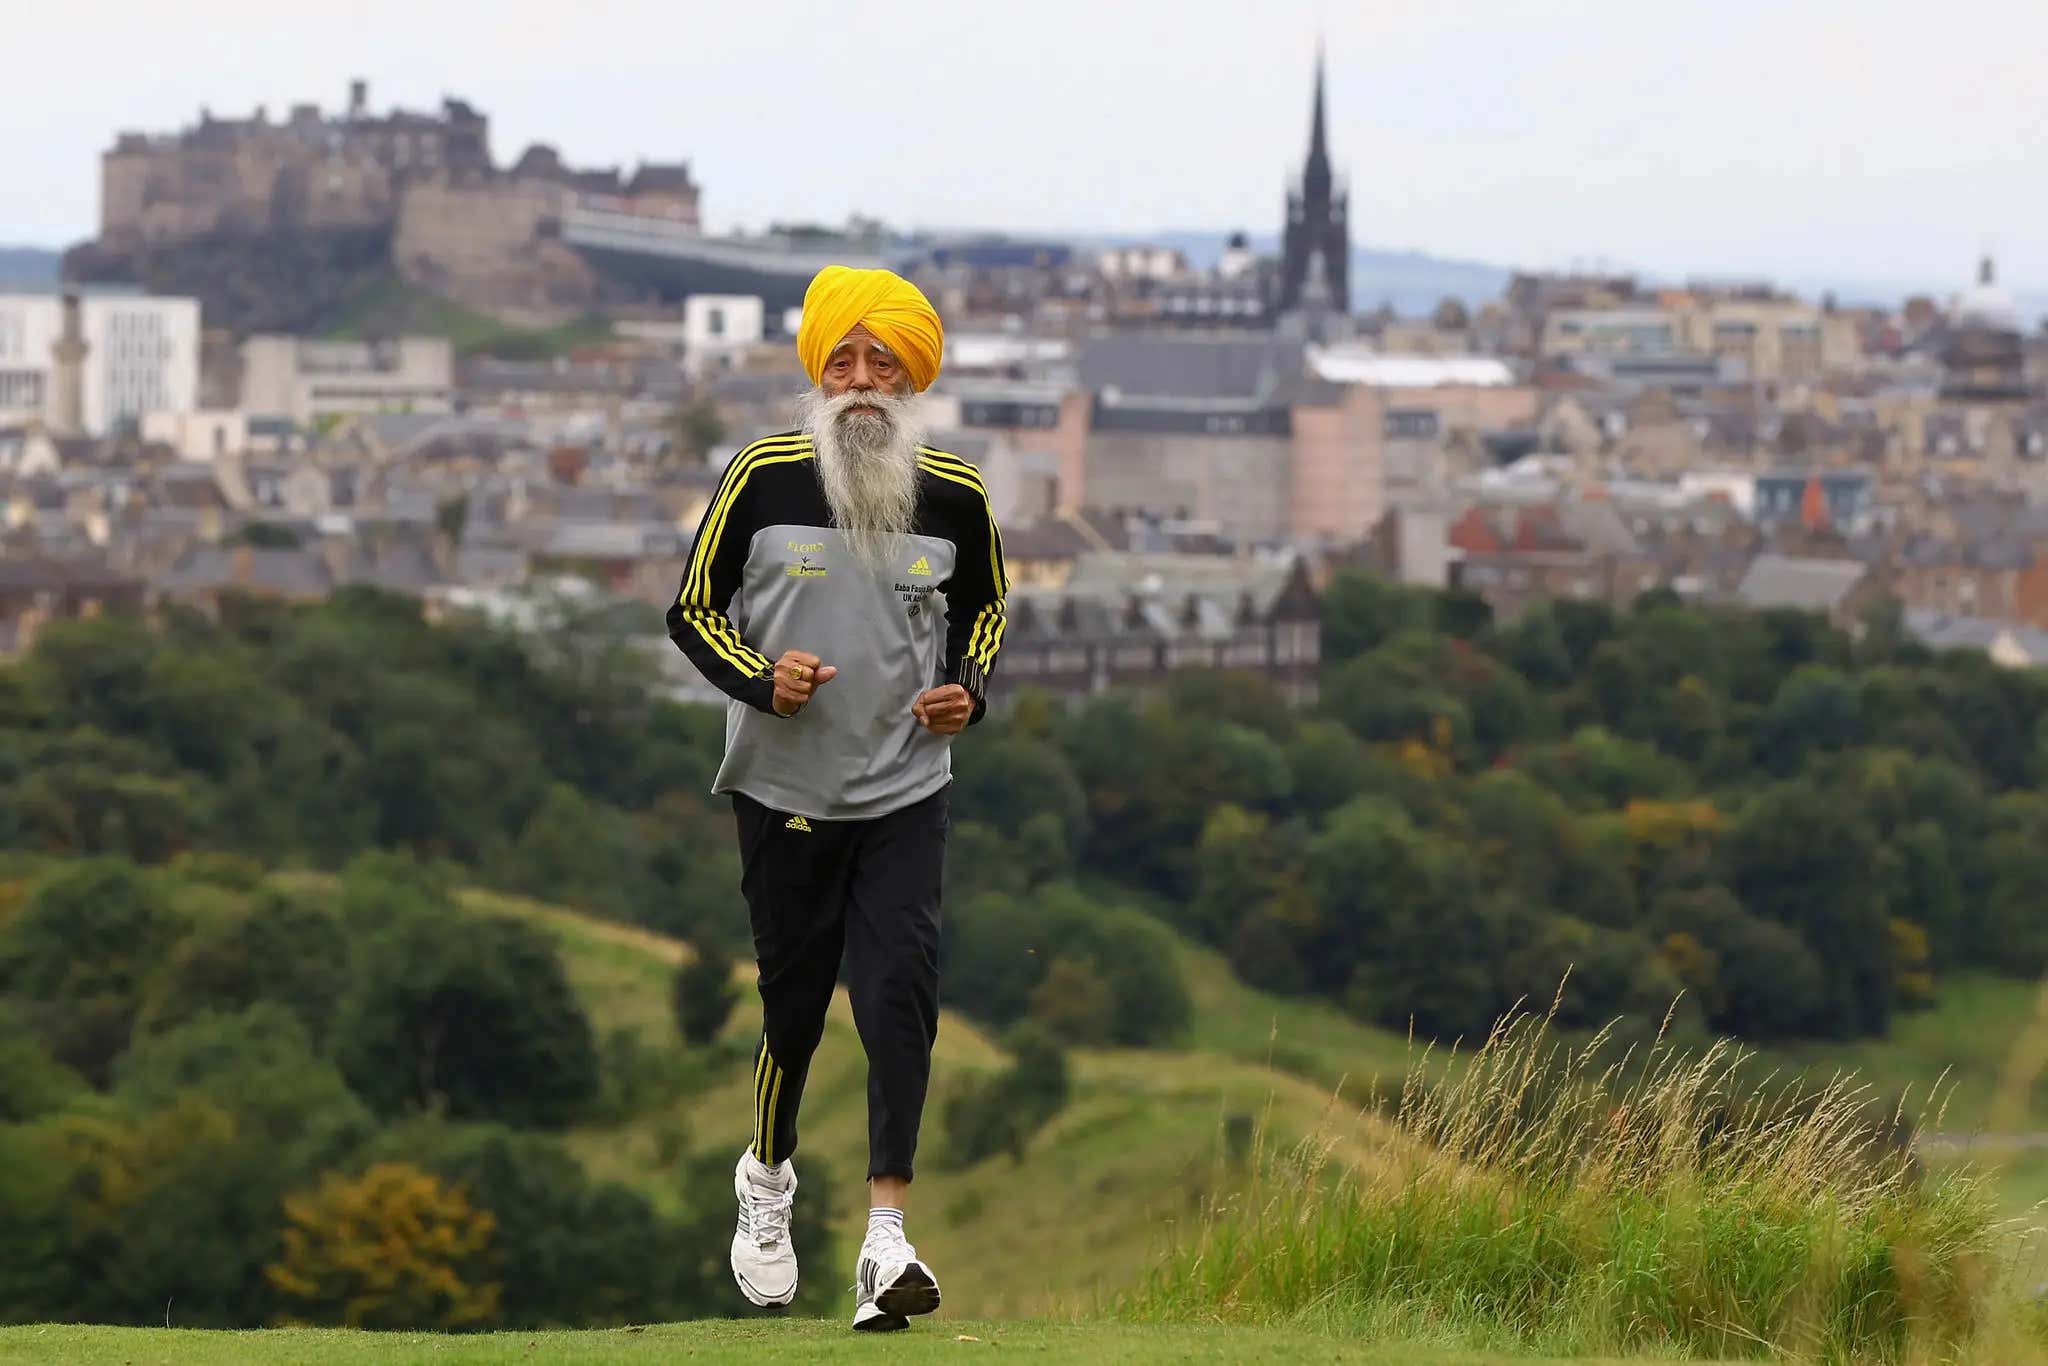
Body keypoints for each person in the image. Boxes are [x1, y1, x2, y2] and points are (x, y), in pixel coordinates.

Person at [666, 265, 1007, 1332]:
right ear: (818, 370)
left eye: (883, 364)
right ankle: (766, 1178)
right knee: (795, 1006)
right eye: (844, 361)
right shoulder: (763, 474)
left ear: (912, 380)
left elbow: (984, 609)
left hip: (904, 786)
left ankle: (885, 1239)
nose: (862, 382)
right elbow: (690, 610)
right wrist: (761, 680)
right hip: (783, 789)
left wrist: (968, 695)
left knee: (899, 993)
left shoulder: (955, 492)